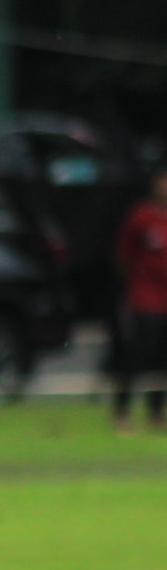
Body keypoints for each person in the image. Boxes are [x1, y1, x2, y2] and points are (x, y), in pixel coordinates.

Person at [112, 165, 167, 434]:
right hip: (145, 300)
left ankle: (156, 413)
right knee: (136, 357)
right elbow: (124, 256)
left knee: (162, 360)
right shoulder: (142, 217)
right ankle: (121, 411)